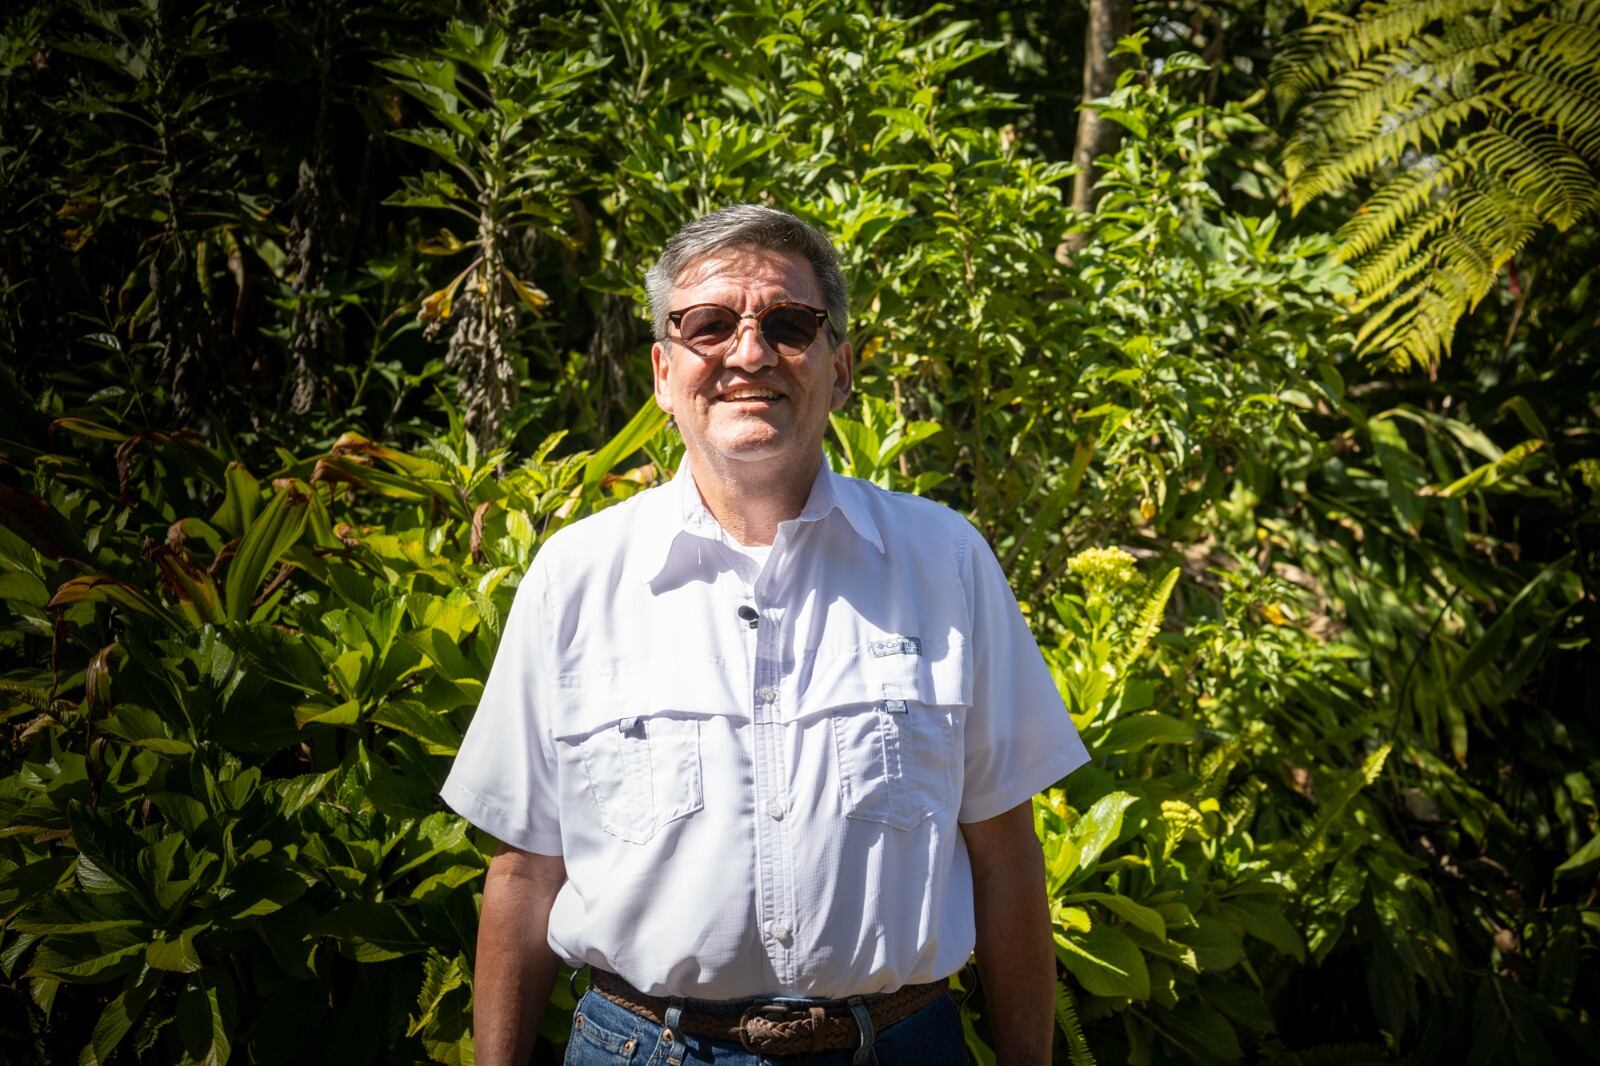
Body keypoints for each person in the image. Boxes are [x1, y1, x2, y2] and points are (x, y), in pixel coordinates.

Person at [442, 204, 1090, 1066]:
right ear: (664, 372)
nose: (749, 354)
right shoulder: (576, 579)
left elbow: (1005, 861)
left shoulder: (947, 564)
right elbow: (523, 877)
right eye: (709, 325)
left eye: (788, 325)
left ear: (841, 367)